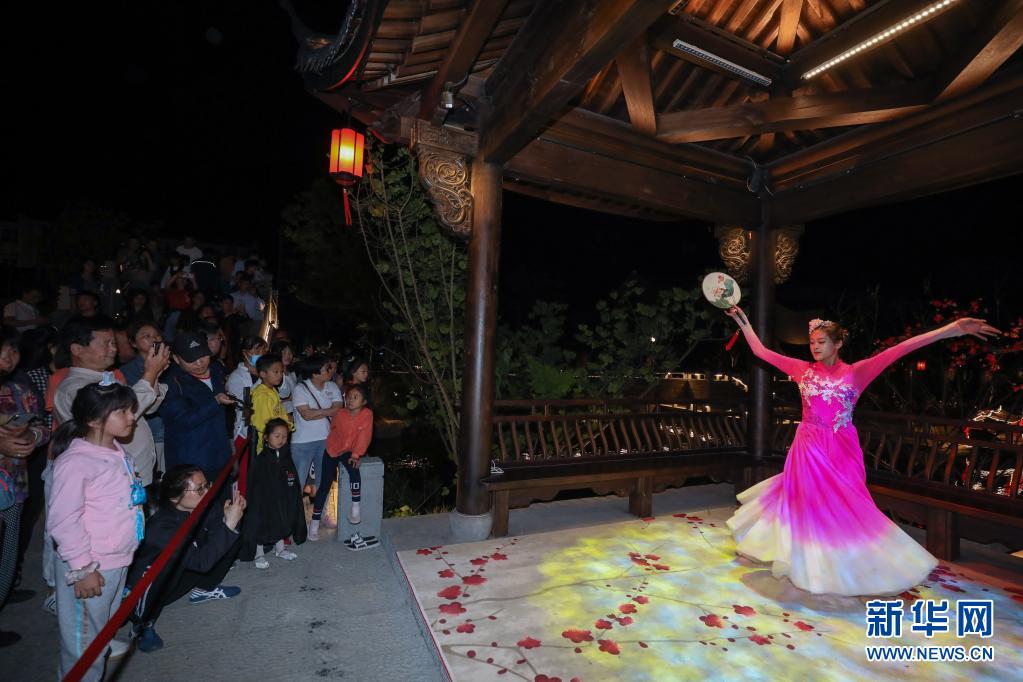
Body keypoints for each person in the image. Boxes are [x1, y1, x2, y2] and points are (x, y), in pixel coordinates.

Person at [724, 306, 1000, 596]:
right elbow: (761, 351)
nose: (815, 347)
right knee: (807, 504)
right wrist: (742, 320)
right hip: (808, 446)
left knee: (845, 507)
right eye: (813, 342)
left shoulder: (856, 372)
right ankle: (809, 565)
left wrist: (953, 329)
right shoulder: (802, 369)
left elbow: (901, 348)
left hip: (841, 449)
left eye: (822, 342)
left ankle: (851, 563)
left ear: (838, 343)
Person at [47, 382, 144, 679]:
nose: (132, 417)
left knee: (99, 635)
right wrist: (82, 568)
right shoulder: (76, 463)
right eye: (122, 412)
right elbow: (64, 520)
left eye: (131, 410)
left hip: (116, 559)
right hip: (92, 565)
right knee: (84, 648)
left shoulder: (115, 450)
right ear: (93, 420)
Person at [127, 464, 245, 652]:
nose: (207, 491)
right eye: (199, 489)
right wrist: (228, 525)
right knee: (226, 532)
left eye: (207, 485)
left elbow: (212, 545)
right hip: (154, 585)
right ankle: (142, 624)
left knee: (230, 535)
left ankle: (202, 589)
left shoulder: (203, 504)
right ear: (175, 497)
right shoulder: (162, 527)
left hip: (185, 568)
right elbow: (201, 562)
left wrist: (227, 521)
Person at [55, 319, 170, 488]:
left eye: (114, 343)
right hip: (111, 480)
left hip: (133, 472)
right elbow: (115, 414)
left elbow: (147, 408)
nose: (114, 349)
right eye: (106, 344)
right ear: (77, 349)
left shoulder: (107, 378)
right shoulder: (73, 387)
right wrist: (150, 372)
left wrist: (155, 374)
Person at [0, 328, 49, 647]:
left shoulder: (19, 389)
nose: (9, 357)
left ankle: (4, 590)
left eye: (13, 350)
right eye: (2, 350)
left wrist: (32, 436)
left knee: (8, 549)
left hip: (15, 482)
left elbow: (42, 425)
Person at [159, 332, 234, 478]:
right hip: (191, 463)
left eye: (202, 356)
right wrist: (215, 402)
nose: (199, 363)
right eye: (191, 359)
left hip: (221, 456)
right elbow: (180, 421)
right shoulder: (170, 382)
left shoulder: (217, 370)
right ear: (176, 359)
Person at [309, 384, 374, 547]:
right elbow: (334, 430)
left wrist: (356, 454)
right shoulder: (340, 414)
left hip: (349, 451)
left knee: (354, 469)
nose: (350, 400)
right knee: (324, 485)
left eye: (355, 397)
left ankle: (355, 509)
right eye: (349, 397)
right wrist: (337, 449)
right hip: (332, 450)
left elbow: (365, 436)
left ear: (364, 401)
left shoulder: (367, 414)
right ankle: (314, 524)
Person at [240, 419, 306, 568]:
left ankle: (280, 549)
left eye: (284, 436)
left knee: (282, 519)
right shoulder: (261, 459)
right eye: (277, 436)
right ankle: (259, 553)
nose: (281, 439)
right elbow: (254, 485)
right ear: (266, 437)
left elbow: (291, 477)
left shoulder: (286, 456)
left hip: (282, 498)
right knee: (262, 524)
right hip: (264, 501)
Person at [291, 354, 342, 494]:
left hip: (327, 440)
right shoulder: (300, 389)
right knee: (298, 482)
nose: (331, 370)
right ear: (315, 374)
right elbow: (306, 415)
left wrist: (315, 412)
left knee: (324, 481)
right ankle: (295, 508)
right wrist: (329, 411)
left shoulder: (332, 386)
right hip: (303, 442)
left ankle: (321, 508)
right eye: (327, 368)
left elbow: (338, 410)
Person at [250, 354, 292, 445]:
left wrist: (287, 420)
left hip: (278, 438)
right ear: (263, 374)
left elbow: (279, 413)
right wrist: (286, 422)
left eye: (281, 372)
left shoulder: (272, 390)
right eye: (276, 372)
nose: (280, 375)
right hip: (269, 443)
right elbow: (263, 424)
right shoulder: (261, 395)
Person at [270, 339, 297, 417]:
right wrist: (288, 399)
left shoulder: (292, 373)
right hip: (279, 414)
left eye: (290, 353)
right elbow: (268, 398)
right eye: (284, 353)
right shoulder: (273, 373)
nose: (288, 356)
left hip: (293, 413)